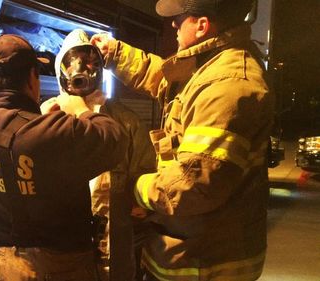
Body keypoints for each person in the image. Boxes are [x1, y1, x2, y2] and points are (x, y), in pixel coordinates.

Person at [90, 0, 274, 280]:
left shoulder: (228, 86)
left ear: (202, 26)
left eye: (180, 18)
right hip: (191, 249)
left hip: (205, 263)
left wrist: (133, 188)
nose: (173, 24)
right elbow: (164, 79)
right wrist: (114, 53)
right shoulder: (210, 66)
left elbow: (192, 185)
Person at [0, 34, 127, 281]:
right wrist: (81, 110)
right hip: (43, 268)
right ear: (33, 78)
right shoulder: (49, 132)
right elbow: (115, 141)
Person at [42, 29, 156, 281]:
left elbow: (145, 179)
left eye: (90, 65)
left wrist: (134, 204)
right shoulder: (47, 117)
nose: (83, 74)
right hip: (64, 250)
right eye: (74, 65)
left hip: (114, 250)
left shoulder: (126, 122)